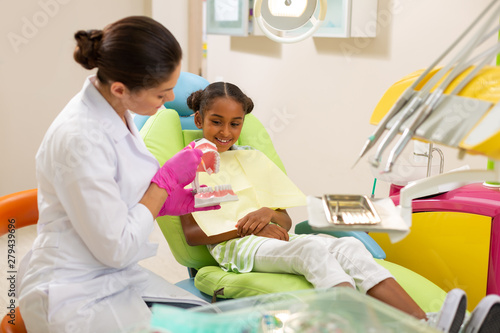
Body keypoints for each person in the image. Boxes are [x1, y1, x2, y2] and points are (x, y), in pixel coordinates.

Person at [179, 82, 499, 333]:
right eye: (216, 122)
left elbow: (284, 220)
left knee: (348, 246)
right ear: (198, 120)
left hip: (271, 240)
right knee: (312, 253)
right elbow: (193, 235)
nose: (225, 132)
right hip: (234, 249)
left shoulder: (250, 156)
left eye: (234, 124)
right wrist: (249, 227)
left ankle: (425, 321)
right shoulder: (189, 164)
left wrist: (267, 214)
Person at [18, 16, 218, 333]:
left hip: (112, 272)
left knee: (210, 321)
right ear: (120, 88)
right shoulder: (79, 140)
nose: (169, 100)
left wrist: (168, 201)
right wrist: (163, 186)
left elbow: (118, 192)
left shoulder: (117, 108)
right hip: (72, 289)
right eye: (161, 93)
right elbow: (116, 248)